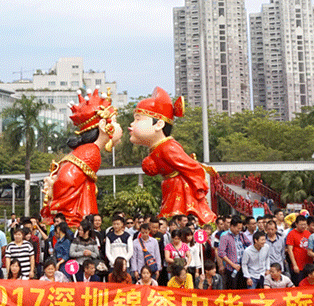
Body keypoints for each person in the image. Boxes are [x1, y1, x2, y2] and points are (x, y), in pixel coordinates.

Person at [129, 87, 215, 225]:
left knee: (176, 219)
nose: (132, 125)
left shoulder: (168, 147)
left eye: (138, 120)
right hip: (170, 187)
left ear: (159, 124)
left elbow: (191, 166)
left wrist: (199, 184)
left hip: (180, 189)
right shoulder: (157, 147)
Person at [41, 89, 122, 229]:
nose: (118, 126)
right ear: (104, 126)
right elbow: (67, 179)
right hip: (74, 217)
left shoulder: (85, 150)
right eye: (114, 121)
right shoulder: (91, 151)